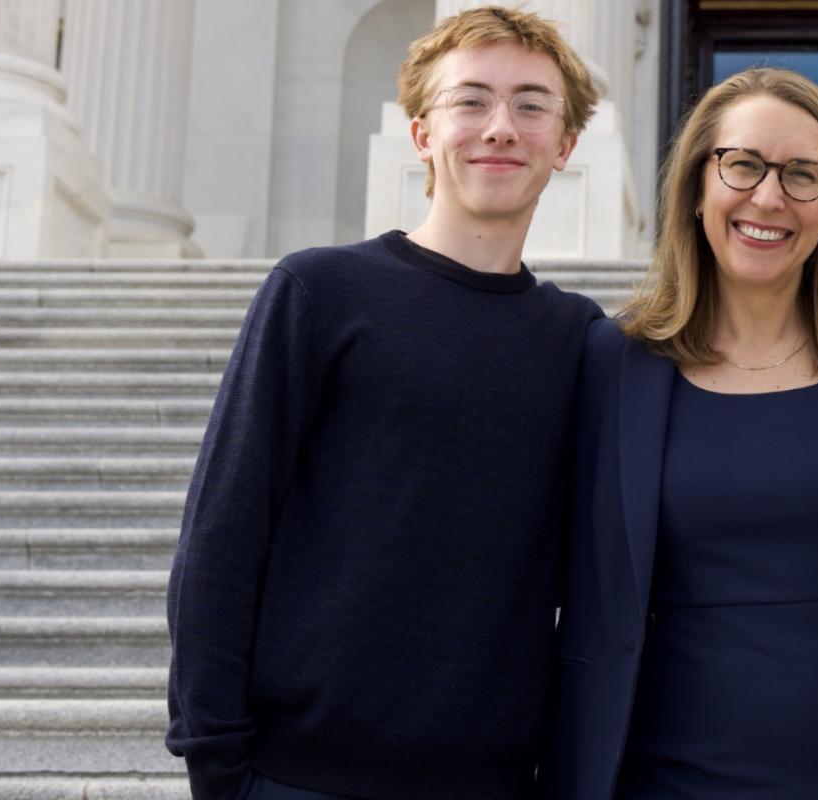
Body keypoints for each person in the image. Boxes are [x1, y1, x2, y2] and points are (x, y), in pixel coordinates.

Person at [164, 7, 603, 799]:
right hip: (297, 778)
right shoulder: (322, 291)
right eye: (470, 100)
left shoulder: (579, 337)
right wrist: (217, 763)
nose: (500, 127)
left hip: (491, 783)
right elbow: (223, 532)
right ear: (421, 134)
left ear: (565, 144)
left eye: (532, 104)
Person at [546, 68, 818, 799]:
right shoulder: (615, 360)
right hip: (667, 776)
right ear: (697, 187)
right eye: (743, 165)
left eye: (802, 175)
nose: (768, 197)